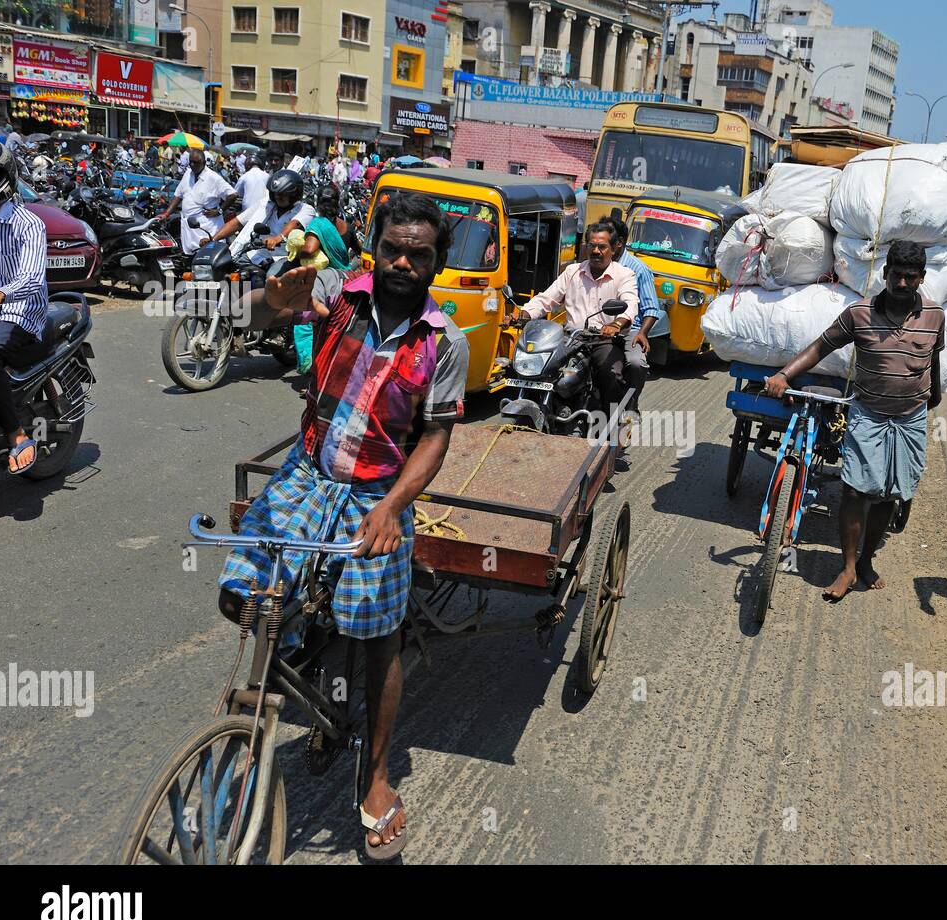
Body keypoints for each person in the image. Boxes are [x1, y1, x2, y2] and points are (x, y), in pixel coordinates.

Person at [222, 190, 468, 859]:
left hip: (376, 494)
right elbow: (249, 315)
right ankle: (303, 687)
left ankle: (378, 773)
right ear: (374, 246)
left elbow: (436, 439)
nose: (402, 262)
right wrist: (273, 301)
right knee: (241, 594)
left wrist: (392, 508)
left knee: (377, 636)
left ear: (436, 262)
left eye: (418, 253)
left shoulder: (445, 342)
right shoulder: (333, 291)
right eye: (392, 247)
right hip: (309, 472)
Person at [764, 240, 945, 600]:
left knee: (888, 495)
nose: (904, 283)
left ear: (922, 277)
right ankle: (847, 567)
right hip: (869, 413)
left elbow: (933, 362)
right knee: (854, 490)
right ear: (885, 274)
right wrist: (784, 375)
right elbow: (820, 347)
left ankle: (866, 560)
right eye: (897, 275)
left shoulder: (935, 316)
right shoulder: (859, 313)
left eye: (911, 277)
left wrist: (934, 396)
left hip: (910, 418)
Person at [515, 220, 638, 412]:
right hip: (569, 339)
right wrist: (524, 314)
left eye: (602, 246)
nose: (596, 251)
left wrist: (616, 324)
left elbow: (630, 305)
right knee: (539, 366)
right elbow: (547, 298)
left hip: (602, 340)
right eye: (592, 246)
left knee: (611, 373)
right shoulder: (573, 271)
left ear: (613, 249)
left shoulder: (625, 275)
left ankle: (609, 424)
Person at [0, 140, 48, 474]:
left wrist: (0, 294)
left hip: (21, 312)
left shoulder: (27, 223)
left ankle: (15, 433)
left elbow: (31, 276)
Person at [286, 184, 359, 372]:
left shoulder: (318, 225)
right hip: (343, 281)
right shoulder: (347, 227)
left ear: (318, 203)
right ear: (338, 203)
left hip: (321, 283)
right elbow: (360, 250)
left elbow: (310, 248)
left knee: (304, 322)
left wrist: (296, 249)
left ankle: (309, 365)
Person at [603, 215, 660, 415]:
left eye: (606, 239)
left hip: (629, 330)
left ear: (618, 243)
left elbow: (652, 308)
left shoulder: (638, 269)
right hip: (598, 330)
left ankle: (630, 405)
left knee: (636, 364)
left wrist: (642, 333)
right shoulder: (593, 265)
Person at [210, 168, 315, 255]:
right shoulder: (266, 204)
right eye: (276, 193)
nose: (278, 197)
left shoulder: (306, 209)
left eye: (283, 194)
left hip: (282, 258)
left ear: (294, 195)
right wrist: (212, 240)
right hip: (257, 255)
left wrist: (278, 238)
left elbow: (295, 223)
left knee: (271, 276)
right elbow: (237, 222)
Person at [153, 147, 236, 254]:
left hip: (206, 228)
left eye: (195, 163)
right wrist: (166, 213)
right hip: (189, 228)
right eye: (190, 162)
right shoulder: (188, 174)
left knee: (206, 258)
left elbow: (233, 195)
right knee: (189, 257)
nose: (192, 165)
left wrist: (219, 210)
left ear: (204, 162)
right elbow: (178, 195)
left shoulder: (213, 178)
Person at [232, 151, 269, 218]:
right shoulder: (267, 176)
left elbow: (236, 194)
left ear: (247, 166)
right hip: (263, 211)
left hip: (247, 213)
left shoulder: (244, 176)